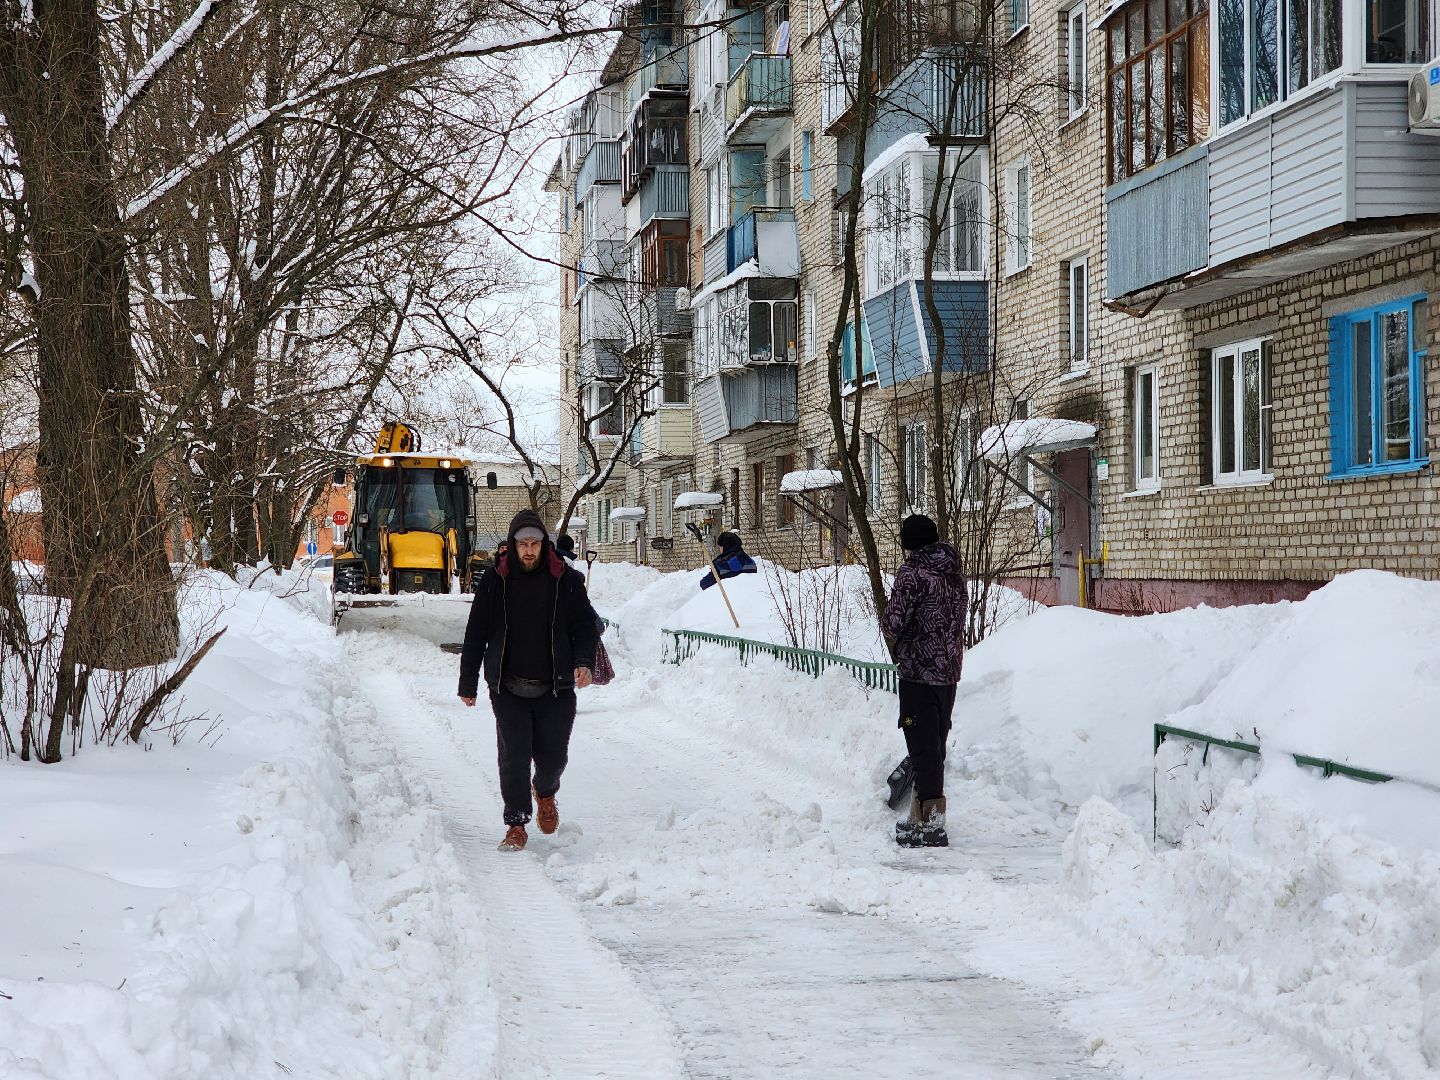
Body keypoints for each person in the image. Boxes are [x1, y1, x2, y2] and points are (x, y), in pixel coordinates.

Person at [458, 510, 600, 851]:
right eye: (523, 544)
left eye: (535, 543)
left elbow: (585, 627)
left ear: (544, 544)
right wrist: (468, 682)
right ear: (513, 545)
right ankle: (516, 823)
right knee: (514, 757)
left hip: (556, 687)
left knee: (554, 758)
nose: (529, 550)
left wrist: (583, 662)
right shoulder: (495, 579)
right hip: (508, 687)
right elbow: (476, 631)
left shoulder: (566, 579)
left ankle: (546, 792)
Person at [881, 514, 967, 848]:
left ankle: (931, 824)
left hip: (919, 671)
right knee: (935, 744)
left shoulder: (913, 573)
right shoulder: (953, 572)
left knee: (922, 746)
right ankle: (921, 815)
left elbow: (893, 622)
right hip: (948, 671)